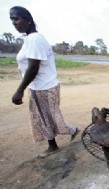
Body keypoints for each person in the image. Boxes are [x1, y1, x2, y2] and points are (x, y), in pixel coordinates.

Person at [9, 6, 79, 158]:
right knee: (44, 117)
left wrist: (19, 90)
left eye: (16, 18)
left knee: (51, 118)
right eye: (11, 20)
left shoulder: (35, 39)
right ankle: (54, 144)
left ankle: (67, 135)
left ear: (28, 20)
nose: (14, 23)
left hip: (45, 87)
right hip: (37, 87)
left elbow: (33, 67)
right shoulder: (29, 39)